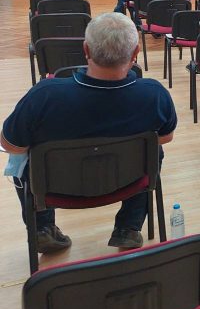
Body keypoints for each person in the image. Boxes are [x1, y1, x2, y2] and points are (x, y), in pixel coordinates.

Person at [1, 13, 177, 251]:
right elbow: (166, 136)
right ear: (136, 53)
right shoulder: (154, 93)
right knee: (153, 148)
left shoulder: (44, 95)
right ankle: (129, 227)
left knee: (20, 158)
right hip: (128, 181)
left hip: (57, 188)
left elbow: (11, 145)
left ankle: (42, 228)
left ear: (86, 49)